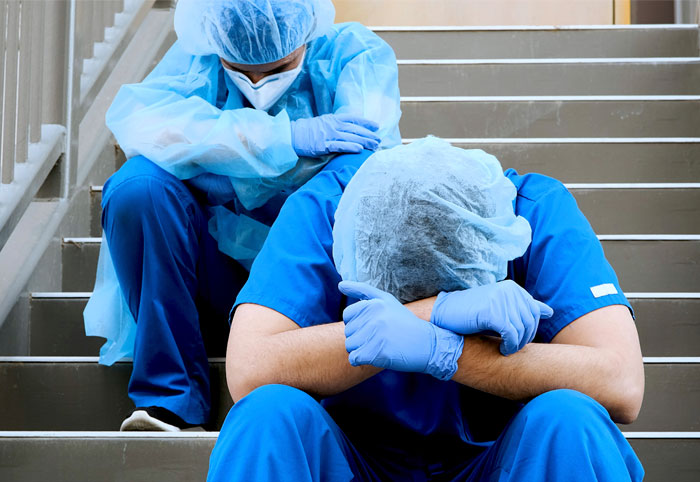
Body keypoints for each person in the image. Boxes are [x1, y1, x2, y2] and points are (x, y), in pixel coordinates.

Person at [207, 138, 645, 480]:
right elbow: (250, 369)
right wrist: (435, 311)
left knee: (571, 421)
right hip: (355, 461)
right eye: (400, 292)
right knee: (266, 416)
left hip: (503, 460)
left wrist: (443, 351)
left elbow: (620, 382)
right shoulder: (329, 209)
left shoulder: (530, 212)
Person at [83, 0, 401, 432]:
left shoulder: (352, 55)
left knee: (353, 177)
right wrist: (284, 138)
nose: (258, 84)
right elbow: (142, 124)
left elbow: (365, 156)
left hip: (312, 284)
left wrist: (219, 162)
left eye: (277, 68)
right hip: (216, 277)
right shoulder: (198, 59)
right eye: (240, 69)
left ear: (306, 31)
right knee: (138, 187)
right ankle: (172, 399)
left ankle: (331, 382)